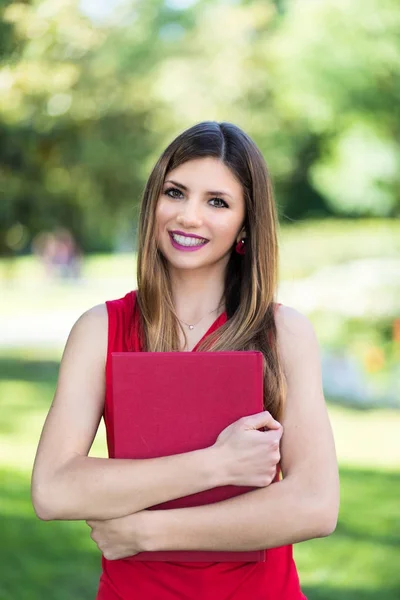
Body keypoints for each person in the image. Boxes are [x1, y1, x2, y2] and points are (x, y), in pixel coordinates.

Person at [31, 121, 339, 599]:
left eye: (217, 202)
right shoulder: (101, 329)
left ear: (244, 223)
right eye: (176, 192)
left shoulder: (283, 333)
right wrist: (217, 464)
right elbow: (53, 489)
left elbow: (316, 504)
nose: (189, 217)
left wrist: (146, 532)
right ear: (154, 200)